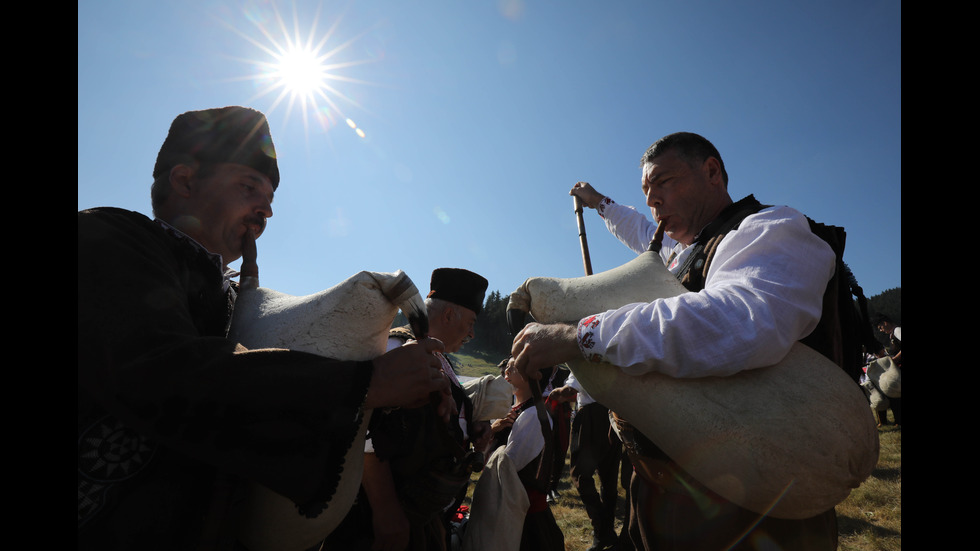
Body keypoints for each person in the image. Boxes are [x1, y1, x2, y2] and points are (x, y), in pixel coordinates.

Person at [77, 106, 452, 551]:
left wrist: (403, 389)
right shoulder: (106, 238)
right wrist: (361, 384)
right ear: (184, 181)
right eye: (249, 187)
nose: (266, 211)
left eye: (270, 200)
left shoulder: (231, 298)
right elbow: (165, 373)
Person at [509, 132, 841, 550]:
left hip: (747, 510)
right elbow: (641, 230)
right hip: (662, 492)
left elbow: (738, 322)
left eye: (663, 182)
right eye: (646, 190)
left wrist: (578, 336)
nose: (653, 199)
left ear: (712, 172)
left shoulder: (769, 230)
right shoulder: (684, 250)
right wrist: (600, 203)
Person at [324, 268, 492, 551]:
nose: (473, 334)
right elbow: (361, 432)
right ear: (449, 315)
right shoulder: (394, 348)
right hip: (380, 524)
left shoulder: (442, 361)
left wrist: (468, 430)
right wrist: (387, 513)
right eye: (471, 322)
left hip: (422, 518)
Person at [555, 373, 626, 551]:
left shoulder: (586, 350)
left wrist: (556, 393)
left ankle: (602, 529)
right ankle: (605, 533)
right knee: (608, 478)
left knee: (580, 475)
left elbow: (571, 389)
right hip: (613, 415)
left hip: (591, 417)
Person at [875, 315, 902, 426]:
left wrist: (896, 358)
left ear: (885, 323)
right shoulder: (893, 334)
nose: (881, 330)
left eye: (881, 327)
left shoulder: (897, 330)